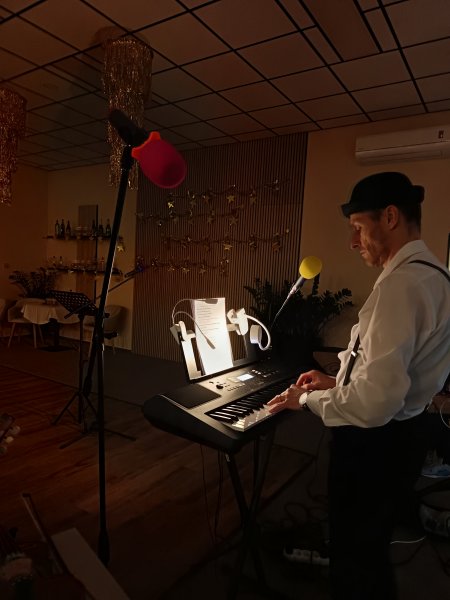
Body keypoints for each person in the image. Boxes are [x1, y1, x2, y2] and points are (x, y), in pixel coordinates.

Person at [268, 171, 450, 600]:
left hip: (375, 446)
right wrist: (337, 380)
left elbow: (372, 405)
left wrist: (307, 399)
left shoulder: (401, 286)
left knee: (356, 558)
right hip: (405, 436)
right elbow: (396, 372)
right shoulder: (436, 276)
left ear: (390, 217)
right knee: (371, 548)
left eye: (358, 227)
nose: (353, 242)